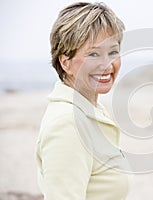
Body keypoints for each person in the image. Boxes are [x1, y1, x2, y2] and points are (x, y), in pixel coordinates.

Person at [35, 2, 128, 199]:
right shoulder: (68, 124)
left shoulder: (92, 109)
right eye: (93, 54)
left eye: (113, 51)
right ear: (65, 62)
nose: (107, 64)